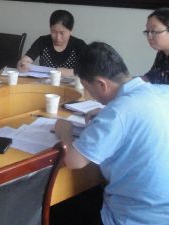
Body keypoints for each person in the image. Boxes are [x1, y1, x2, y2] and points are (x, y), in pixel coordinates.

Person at [55, 42, 169, 225]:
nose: (90, 95)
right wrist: (107, 114)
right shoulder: (162, 92)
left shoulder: (118, 112)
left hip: (133, 218)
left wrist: (64, 132)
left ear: (101, 84)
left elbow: (74, 161)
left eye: (88, 88)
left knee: (57, 209)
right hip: (163, 213)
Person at [17, 10, 86, 77]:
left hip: (70, 84)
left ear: (71, 30)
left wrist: (72, 72)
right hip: (44, 83)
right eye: (54, 32)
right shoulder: (42, 41)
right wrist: (22, 64)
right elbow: (26, 60)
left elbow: (90, 68)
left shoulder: (79, 44)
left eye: (62, 33)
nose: (58, 37)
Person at [142, 7, 169, 84]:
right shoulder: (162, 54)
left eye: (154, 31)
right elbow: (149, 78)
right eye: (147, 32)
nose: (149, 36)